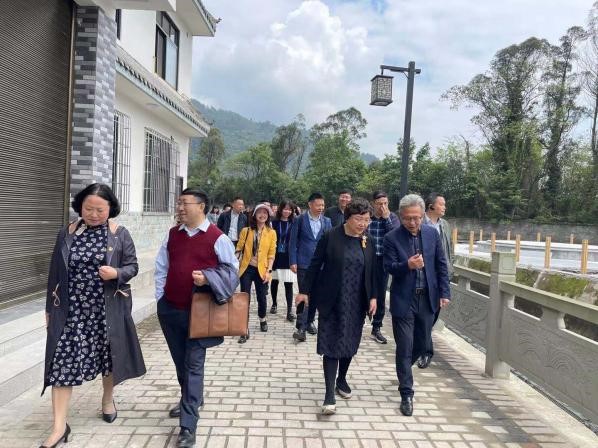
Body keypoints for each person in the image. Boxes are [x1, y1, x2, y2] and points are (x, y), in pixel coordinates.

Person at [41, 183, 145, 448]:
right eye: (89, 208)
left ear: (110, 209)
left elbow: (132, 266)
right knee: (61, 363)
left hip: (104, 310)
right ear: (80, 207)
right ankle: (59, 427)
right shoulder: (66, 233)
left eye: (100, 209)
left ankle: (107, 399)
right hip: (70, 312)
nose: (94, 214)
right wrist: (49, 309)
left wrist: (117, 273)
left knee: (107, 358)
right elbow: (54, 273)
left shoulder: (119, 234)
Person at [155, 188, 238, 448]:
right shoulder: (172, 234)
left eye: (185, 203)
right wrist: (160, 299)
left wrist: (208, 278)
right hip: (171, 309)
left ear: (201, 207)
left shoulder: (217, 237)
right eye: (178, 203)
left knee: (193, 366)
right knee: (181, 363)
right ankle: (191, 398)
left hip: (201, 313)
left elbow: (232, 273)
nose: (180, 208)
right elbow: (161, 268)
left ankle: (188, 426)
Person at [296, 198, 377, 415]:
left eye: (367, 220)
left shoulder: (368, 240)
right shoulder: (330, 236)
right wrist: (304, 291)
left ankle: (342, 379)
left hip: (357, 301)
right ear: (348, 217)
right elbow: (314, 265)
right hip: (332, 299)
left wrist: (373, 297)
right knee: (331, 344)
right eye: (359, 219)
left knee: (350, 342)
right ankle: (329, 394)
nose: (363, 224)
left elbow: (373, 271)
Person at [383, 194, 451, 417]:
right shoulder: (392, 238)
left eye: (416, 218)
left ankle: (403, 369)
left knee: (422, 346)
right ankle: (406, 393)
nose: (412, 222)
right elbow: (388, 267)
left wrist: (445, 292)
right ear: (401, 216)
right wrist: (407, 265)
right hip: (404, 299)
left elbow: (441, 264)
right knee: (404, 347)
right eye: (407, 218)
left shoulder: (432, 234)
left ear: (423, 215)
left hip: (427, 298)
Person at [289, 192, 332, 342]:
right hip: (303, 263)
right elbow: (293, 242)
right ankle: (301, 326)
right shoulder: (300, 220)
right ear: (310, 204)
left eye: (323, 205)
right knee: (304, 292)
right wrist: (293, 261)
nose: (321, 208)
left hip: (321, 265)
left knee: (315, 294)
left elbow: (329, 244)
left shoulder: (327, 221)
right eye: (318, 205)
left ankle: (309, 321)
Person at [418, 193, 454, 368]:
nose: (444, 207)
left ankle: (421, 343)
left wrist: (450, 268)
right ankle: (425, 351)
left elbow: (449, 249)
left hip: (442, 275)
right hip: (425, 275)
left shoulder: (445, 225)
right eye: (441, 204)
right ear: (431, 206)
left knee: (433, 314)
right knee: (426, 315)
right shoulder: (420, 223)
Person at [235, 203, 277, 343]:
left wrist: (269, 271)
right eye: (260, 212)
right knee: (244, 298)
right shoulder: (246, 231)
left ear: (268, 216)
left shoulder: (271, 233)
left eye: (265, 213)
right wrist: (232, 264)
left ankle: (262, 318)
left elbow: (271, 254)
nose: (262, 215)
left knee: (262, 298)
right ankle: (243, 328)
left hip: (262, 270)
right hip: (246, 268)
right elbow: (239, 249)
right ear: (254, 215)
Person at [368, 190, 399, 344]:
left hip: (383, 261)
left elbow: (396, 237)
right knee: (362, 289)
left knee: (380, 294)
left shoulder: (392, 218)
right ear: (373, 204)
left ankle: (376, 327)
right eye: (379, 204)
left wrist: (387, 219)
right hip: (367, 259)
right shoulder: (367, 217)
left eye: (385, 203)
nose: (383, 207)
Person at [270, 200, 297, 321]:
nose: (287, 211)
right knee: (274, 281)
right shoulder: (273, 222)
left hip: (288, 257)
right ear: (280, 209)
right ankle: (274, 304)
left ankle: (289, 310)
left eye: (290, 209)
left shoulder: (295, 222)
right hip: (276, 256)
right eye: (285, 209)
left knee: (289, 284)